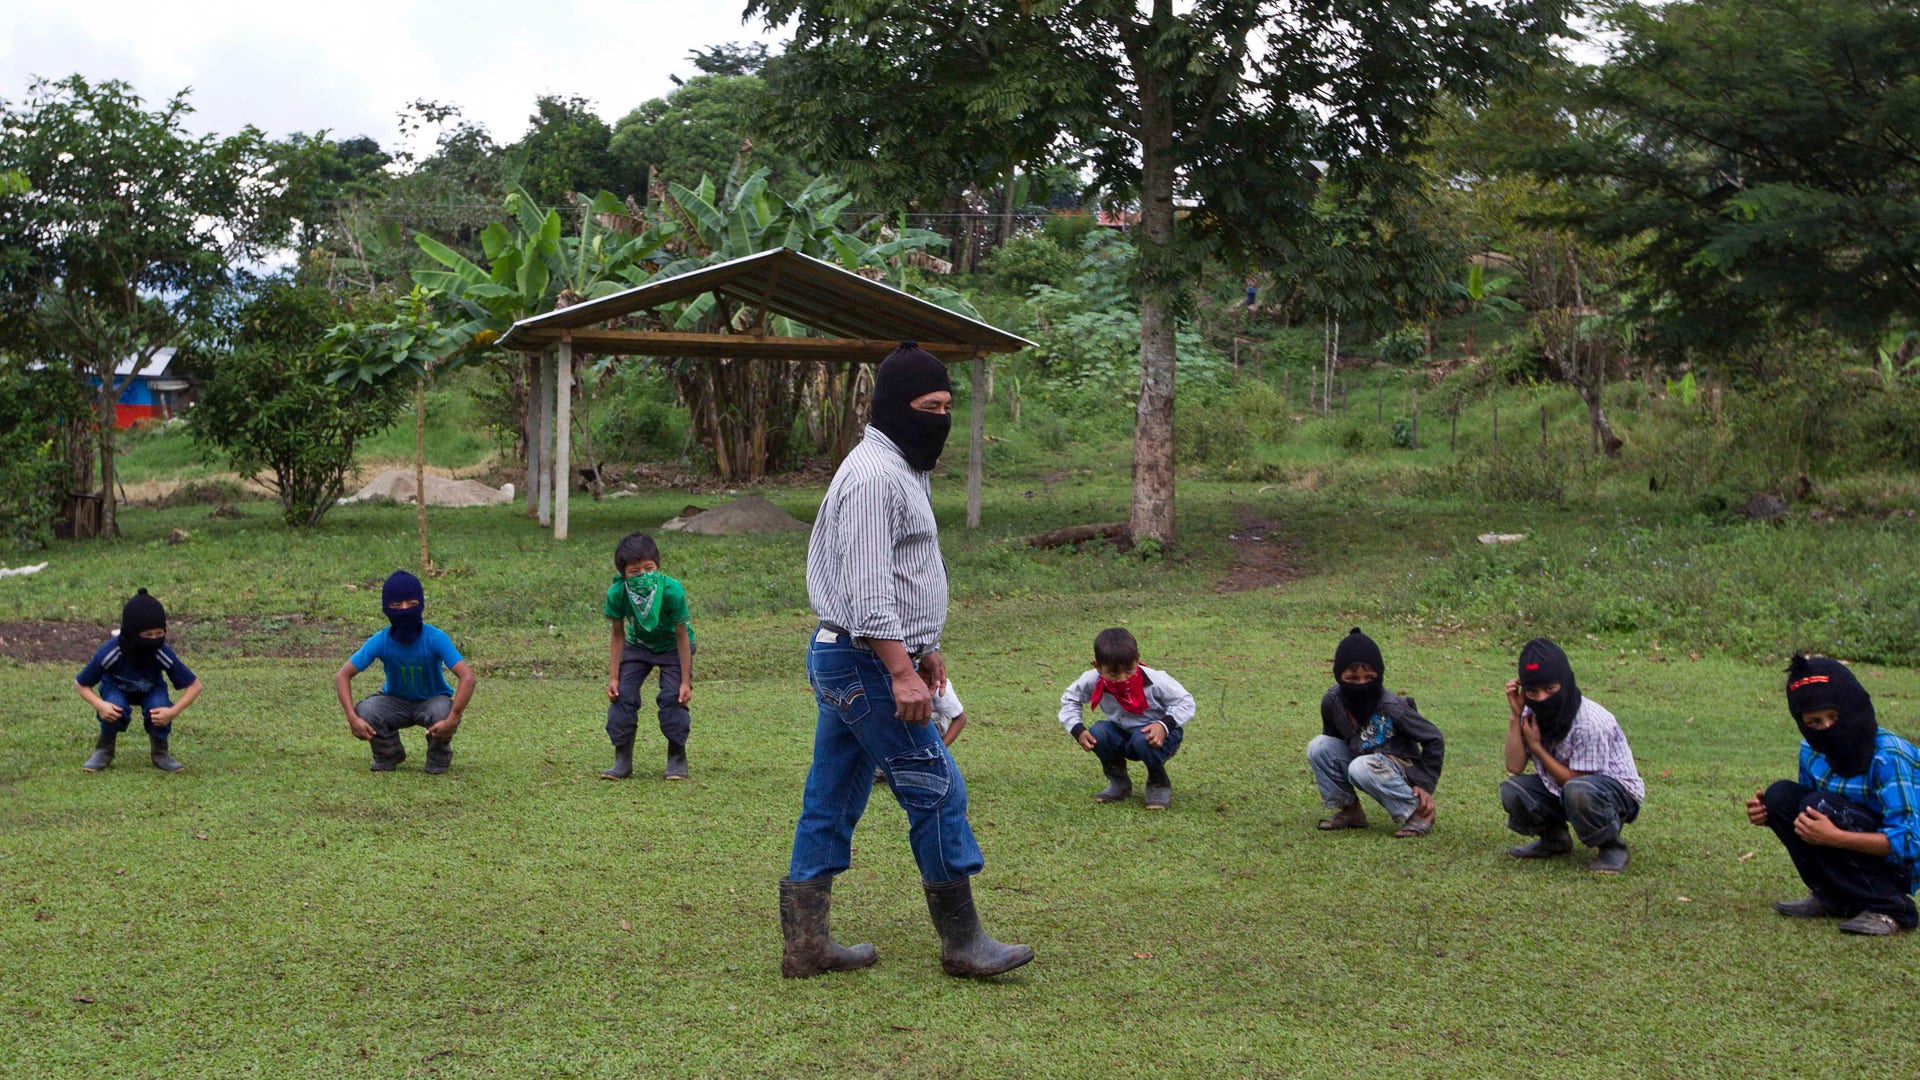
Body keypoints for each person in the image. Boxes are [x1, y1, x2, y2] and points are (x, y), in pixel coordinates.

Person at [780, 342, 1032, 980]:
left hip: (854, 655)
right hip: (864, 660)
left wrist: (926, 646)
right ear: (896, 407)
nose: (941, 418)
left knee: (833, 794)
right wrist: (900, 669)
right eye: (929, 406)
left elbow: (904, 572)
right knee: (936, 786)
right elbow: (868, 590)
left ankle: (807, 944)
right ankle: (964, 942)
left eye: (948, 406)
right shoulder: (874, 477)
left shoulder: (898, 464)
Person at [1743, 654, 1918, 936]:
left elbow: (1909, 842)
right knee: (1780, 796)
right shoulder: (1811, 751)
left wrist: (1836, 838)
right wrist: (1770, 815)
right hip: (1846, 837)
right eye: (1814, 722)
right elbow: (1806, 811)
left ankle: (1892, 907)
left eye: (1834, 717)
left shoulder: (1889, 757)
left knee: (1818, 805)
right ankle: (1834, 895)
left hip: (1896, 865)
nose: (1826, 728)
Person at [1499, 638, 1643, 874]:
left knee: (1578, 790)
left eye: (1550, 689)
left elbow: (1573, 780)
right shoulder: (1530, 712)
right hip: (1566, 788)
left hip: (1615, 793)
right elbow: (1514, 766)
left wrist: (1536, 748)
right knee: (1513, 789)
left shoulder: (1589, 722)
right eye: (1533, 691)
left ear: (1564, 683)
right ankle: (1554, 840)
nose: (1542, 699)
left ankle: (1611, 848)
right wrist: (1515, 717)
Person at [332, 570, 476, 774]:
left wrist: (452, 719)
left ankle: (438, 757)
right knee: (367, 710)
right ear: (386, 609)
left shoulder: (435, 637)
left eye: (411, 604)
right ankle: (388, 753)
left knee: (442, 710)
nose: (405, 610)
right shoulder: (381, 640)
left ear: (421, 605)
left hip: (432, 701)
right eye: (396, 606)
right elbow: (342, 676)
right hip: (394, 702)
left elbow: (468, 678)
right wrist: (352, 719)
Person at [1307, 628, 1443, 837]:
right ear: (1338, 676)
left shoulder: (1392, 706)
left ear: (1379, 674)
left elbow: (1433, 738)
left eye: (1369, 677)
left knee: (1360, 766)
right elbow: (1333, 740)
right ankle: (1350, 810)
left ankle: (1417, 812)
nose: (1362, 684)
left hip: (1397, 767)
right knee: (1319, 746)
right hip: (1361, 760)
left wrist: (1423, 783)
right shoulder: (1332, 701)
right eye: (1352, 679)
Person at [1056, 628, 1194, 810]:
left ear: (1137, 659)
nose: (1122, 678)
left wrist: (1164, 725)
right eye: (1113, 673)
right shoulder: (1091, 680)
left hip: (1160, 737)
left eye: (1129, 670)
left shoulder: (1156, 680)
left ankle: (1158, 783)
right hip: (1124, 735)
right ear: (1097, 666)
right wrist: (1078, 729)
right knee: (1099, 732)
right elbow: (1070, 699)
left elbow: (1186, 701)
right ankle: (1119, 783)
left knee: (1142, 738)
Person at [601, 532, 695, 781]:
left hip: (674, 647)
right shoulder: (618, 593)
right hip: (638, 645)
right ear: (623, 574)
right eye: (634, 571)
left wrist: (685, 682)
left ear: (658, 565)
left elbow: (682, 636)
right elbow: (618, 634)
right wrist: (613, 677)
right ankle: (622, 760)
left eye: (648, 568)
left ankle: (677, 757)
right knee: (623, 695)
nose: (642, 575)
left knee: (672, 697)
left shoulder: (672, 591)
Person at [75, 588, 201, 773]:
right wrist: (100, 706)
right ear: (131, 633)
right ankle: (104, 750)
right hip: (115, 687)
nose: (154, 640)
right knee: (114, 706)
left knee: (158, 706)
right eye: (147, 635)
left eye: (159, 634)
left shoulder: (161, 653)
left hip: (151, 689)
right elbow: (82, 684)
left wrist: (172, 712)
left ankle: (160, 752)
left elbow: (195, 685)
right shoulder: (110, 652)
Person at [875, 677, 967, 784]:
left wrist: (940, 751)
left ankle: (920, 762)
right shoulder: (894, 678)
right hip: (901, 732)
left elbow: (960, 719)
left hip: (928, 732)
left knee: (920, 714)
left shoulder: (937, 682)